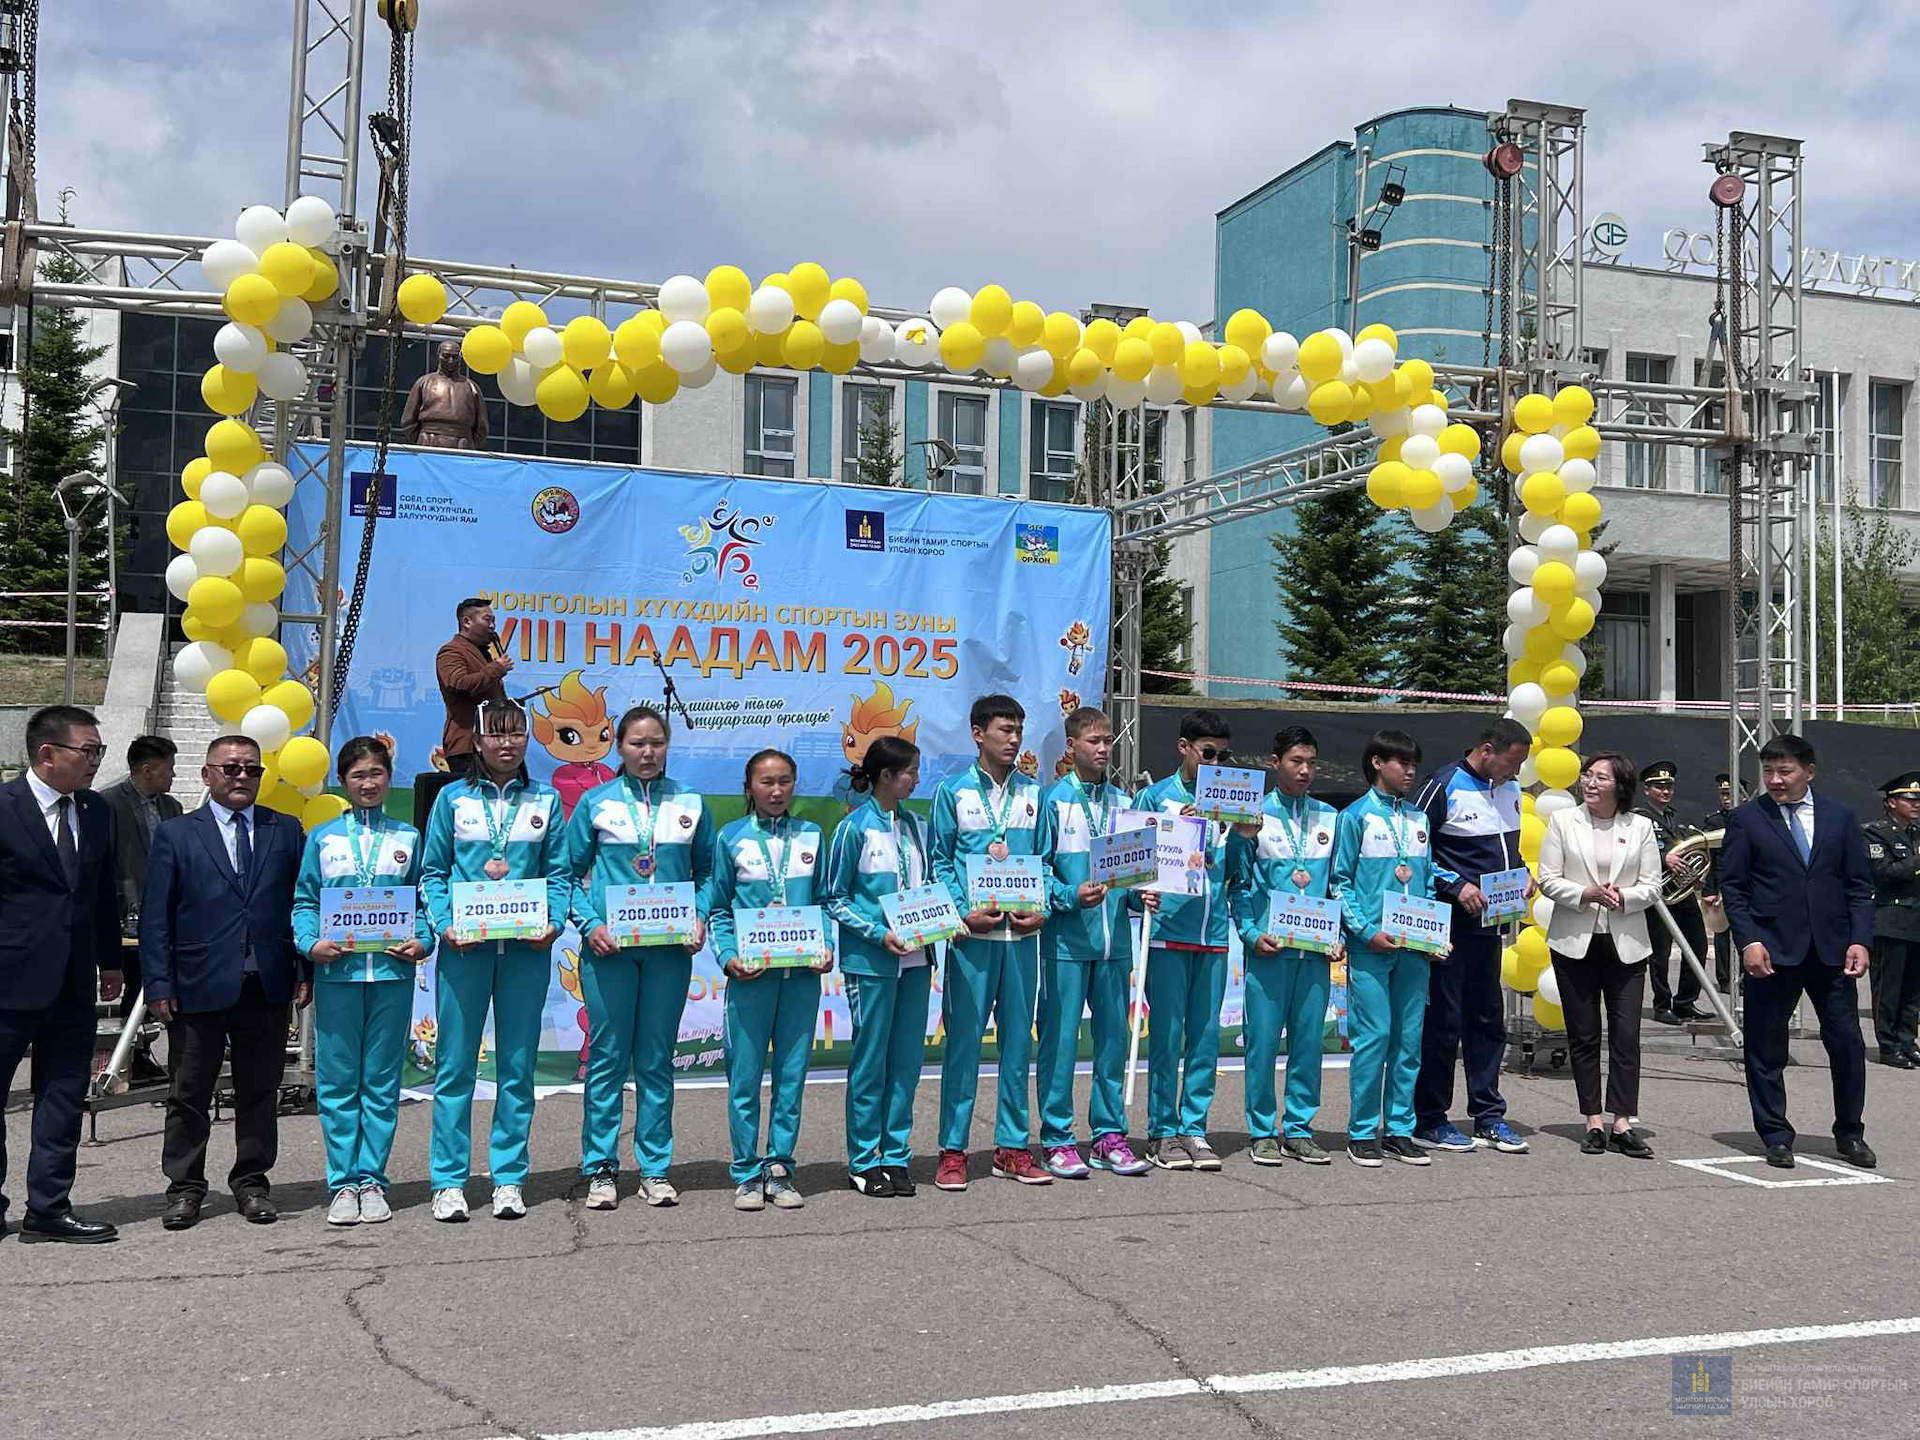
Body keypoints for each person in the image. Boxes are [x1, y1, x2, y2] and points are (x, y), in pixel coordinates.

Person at [141, 734, 309, 1230]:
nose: (242, 777)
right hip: (197, 983)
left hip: (267, 982)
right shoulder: (176, 834)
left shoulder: (285, 829)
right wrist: (158, 983)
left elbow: (302, 906)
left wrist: (304, 971)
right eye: (231, 768)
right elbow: (156, 917)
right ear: (207, 774)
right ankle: (185, 1188)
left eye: (252, 769)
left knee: (260, 1090)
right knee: (189, 1091)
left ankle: (252, 1183)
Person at [421, 700, 568, 1221]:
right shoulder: (451, 799)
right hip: (465, 950)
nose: (507, 744)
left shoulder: (546, 800)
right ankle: (448, 1181)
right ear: (478, 742)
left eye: (516, 734)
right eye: (496, 735)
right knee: (455, 1066)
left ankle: (508, 1177)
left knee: (517, 1067)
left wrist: (554, 921)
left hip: (526, 952)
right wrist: (444, 924)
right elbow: (433, 872)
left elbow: (560, 874)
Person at [564, 704, 714, 1210]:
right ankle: (601, 1168)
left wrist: (700, 917)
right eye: (637, 743)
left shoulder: (690, 801)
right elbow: (567, 875)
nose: (647, 753)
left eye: (656, 743)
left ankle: (654, 1167)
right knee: (607, 1058)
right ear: (619, 747)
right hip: (611, 951)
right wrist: (591, 924)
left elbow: (708, 873)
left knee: (655, 1058)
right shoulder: (596, 802)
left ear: (667, 746)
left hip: (668, 952)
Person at [292, 737, 435, 1226]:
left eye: (376, 773)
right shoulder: (323, 838)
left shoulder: (409, 838)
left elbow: (424, 901)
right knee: (337, 1082)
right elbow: (305, 902)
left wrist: (423, 940)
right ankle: (342, 1183)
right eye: (358, 775)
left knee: (380, 1080)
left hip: (392, 973)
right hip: (339, 975)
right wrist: (310, 943)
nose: (368, 783)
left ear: (389, 777)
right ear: (342, 782)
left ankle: (372, 1179)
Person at [1718, 734, 1876, 1170]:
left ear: (1809, 772)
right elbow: (1734, 888)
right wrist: (1749, 941)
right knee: (1765, 1047)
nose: (1775, 780)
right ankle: (1775, 1134)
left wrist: (1860, 939)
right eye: (1768, 771)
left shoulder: (1840, 818)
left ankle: (1850, 1133)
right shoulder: (1747, 820)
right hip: (1771, 951)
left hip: (1832, 951)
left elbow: (1859, 886)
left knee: (1847, 1044)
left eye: (1785, 771)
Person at [0, 706, 123, 1243]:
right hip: (8, 978)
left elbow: (101, 891)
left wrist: (111, 959)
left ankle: (49, 1207)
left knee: (63, 1095)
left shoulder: (95, 810)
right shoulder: (5, 807)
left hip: (73, 981)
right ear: (48, 754)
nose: (96, 760)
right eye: (88, 750)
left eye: (99, 751)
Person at [929, 694, 1053, 1190]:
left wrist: (1041, 908)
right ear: (978, 734)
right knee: (963, 1045)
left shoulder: (1034, 793)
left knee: (1018, 1044)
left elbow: (1044, 860)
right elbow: (940, 861)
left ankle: (1012, 1147)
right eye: (1005, 729)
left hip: (1021, 939)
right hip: (973, 939)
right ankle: (952, 1150)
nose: (1014, 739)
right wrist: (963, 912)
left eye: (1019, 730)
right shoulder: (953, 792)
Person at [708, 749, 831, 1212]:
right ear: (749, 788)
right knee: (744, 1076)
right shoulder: (731, 838)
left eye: (784, 781)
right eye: (766, 782)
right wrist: (728, 958)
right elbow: (718, 908)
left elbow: (824, 901)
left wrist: (826, 945)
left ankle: (780, 1168)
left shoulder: (813, 835)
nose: (776, 791)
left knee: (791, 1076)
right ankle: (745, 1171)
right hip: (751, 976)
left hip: (800, 976)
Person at [1036, 707, 1153, 1180]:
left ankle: (1108, 1136)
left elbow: (1134, 875)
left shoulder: (1126, 804)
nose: (1104, 749)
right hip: (1066, 943)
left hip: (1115, 946)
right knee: (1060, 1044)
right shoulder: (1052, 801)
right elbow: (1037, 872)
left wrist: (1142, 895)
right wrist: (1070, 895)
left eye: (1108, 740)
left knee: (1112, 1044)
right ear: (1071, 746)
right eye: (1094, 741)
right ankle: (1057, 1138)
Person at [1410, 717, 1532, 1155]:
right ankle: (1430, 1117)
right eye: (1512, 761)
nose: (1517, 771)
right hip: (1448, 925)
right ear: (1486, 751)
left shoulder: (1511, 789)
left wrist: (1524, 874)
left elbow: (1508, 850)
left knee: (1487, 1021)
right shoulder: (1443, 785)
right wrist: (1456, 885)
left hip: (1492, 924)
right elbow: (1414, 848)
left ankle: (1488, 1115)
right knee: (1443, 1023)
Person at [1536, 753, 1662, 1159]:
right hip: (1575, 941)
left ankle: (1622, 1121)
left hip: (1626, 943)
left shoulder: (1640, 826)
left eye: (1600, 778)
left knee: (1626, 1034)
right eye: (1587, 775)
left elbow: (1653, 885)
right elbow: (1548, 879)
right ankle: (1592, 1119)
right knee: (1584, 1033)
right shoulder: (1563, 821)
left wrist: (1624, 897)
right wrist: (1584, 894)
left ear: (1620, 786)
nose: (1590, 783)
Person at [824, 736, 934, 1198]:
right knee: (871, 1061)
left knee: (906, 1062)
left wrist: (943, 921)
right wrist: (877, 933)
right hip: (872, 961)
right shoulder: (853, 829)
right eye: (910, 772)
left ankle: (896, 1155)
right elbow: (834, 898)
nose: (916, 779)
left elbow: (929, 886)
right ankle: (865, 1159)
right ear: (886, 776)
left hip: (917, 960)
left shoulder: (916, 826)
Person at [1228, 725, 1341, 1167]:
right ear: (1275, 763)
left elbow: (1337, 885)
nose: (1305, 770)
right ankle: (1262, 1131)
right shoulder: (1254, 817)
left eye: (1311, 762)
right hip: (1269, 951)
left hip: (1314, 953)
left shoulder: (1330, 817)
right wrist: (1251, 933)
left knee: (1309, 1044)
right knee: (1261, 1044)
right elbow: (1238, 885)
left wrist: (1338, 935)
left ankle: (1298, 1129)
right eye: (1296, 761)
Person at [1133, 709, 1237, 1171]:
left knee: (1205, 1038)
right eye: (1208, 753)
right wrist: (1139, 895)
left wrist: (1243, 834)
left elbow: (1236, 869)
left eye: (1222, 756)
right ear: (1184, 748)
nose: (1215, 763)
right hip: (1168, 933)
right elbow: (1130, 866)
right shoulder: (1154, 797)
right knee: (1168, 1036)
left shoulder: (1232, 801)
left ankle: (1195, 1127)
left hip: (1214, 934)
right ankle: (1162, 1131)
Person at [1331, 729, 1437, 1169]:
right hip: (1372, 946)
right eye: (1402, 763)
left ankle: (1398, 1130)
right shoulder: (1355, 817)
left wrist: (1433, 934)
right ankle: (1361, 1131)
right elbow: (1339, 883)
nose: (1410, 772)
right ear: (1377, 763)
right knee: (1373, 1038)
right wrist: (1364, 930)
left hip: (1414, 948)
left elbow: (1427, 882)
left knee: (1408, 1041)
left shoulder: (1419, 819)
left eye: (1414, 764)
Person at [100, 733, 182, 1082]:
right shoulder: (108, 804)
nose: (173, 775)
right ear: (147, 770)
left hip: (167, 913)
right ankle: (129, 1056)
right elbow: (105, 861)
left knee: (157, 984)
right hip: (127, 915)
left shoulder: (172, 808)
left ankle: (144, 1053)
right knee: (135, 985)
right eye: (169, 768)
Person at [1635, 761, 1712, 1024]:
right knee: (1660, 953)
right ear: (1647, 789)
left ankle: (1685, 1002)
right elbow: (1631, 852)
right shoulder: (1638, 818)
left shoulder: (1676, 817)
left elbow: (1688, 850)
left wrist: (1695, 875)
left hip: (1682, 892)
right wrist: (1662, 858)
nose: (1665, 791)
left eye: (1668, 786)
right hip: (1657, 895)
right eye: (1659, 786)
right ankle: (1661, 1005)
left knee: (1698, 945)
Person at [1862, 772, 1920, 1069]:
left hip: (1916, 920)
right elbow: (1884, 873)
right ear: (1891, 802)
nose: (1916, 804)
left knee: (1913, 990)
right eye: (1909, 799)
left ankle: (1908, 1041)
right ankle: (1888, 1045)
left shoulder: (1916, 834)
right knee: (1889, 988)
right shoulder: (1876, 834)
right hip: (1891, 919)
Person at [435, 597, 513, 780]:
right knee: (473, 796)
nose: (492, 626)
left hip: (491, 744)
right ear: (467, 622)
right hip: (468, 746)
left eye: (493, 621)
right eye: (487, 620)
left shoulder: (482, 654)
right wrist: (496, 669)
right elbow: (458, 684)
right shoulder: (451, 651)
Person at [401, 338, 489, 449]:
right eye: (446, 356)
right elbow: (408, 421)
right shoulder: (423, 382)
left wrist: (469, 444)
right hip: (429, 441)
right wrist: (421, 441)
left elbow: (482, 427)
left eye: (455, 357)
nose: (451, 361)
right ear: (438, 355)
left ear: (460, 358)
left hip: (462, 444)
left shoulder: (471, 387)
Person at [1697, 773, 1738, 989]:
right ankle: (1725, 979)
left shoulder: (1751, 819)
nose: (1727, 798)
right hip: (1722, 883)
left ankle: (1745, 978)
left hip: (1747, 884)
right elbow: (1710, 861)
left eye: (1731, 793)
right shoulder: (1714, 822)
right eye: (1723, 794)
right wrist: (1709, 890)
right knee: (1722, 932)